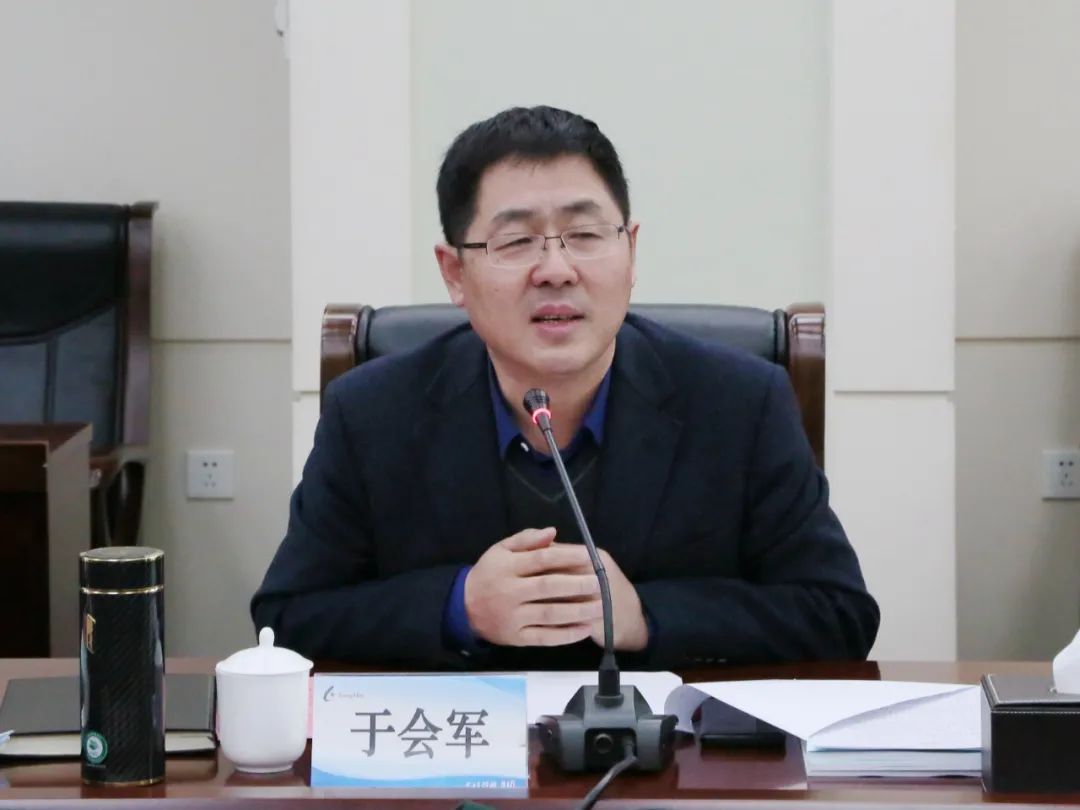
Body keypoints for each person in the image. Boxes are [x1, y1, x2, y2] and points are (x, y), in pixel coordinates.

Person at [252, 105, 879, 670]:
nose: (556, 270)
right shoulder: (372, 412)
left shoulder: (741, 402)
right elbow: (288, 617)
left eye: (585, 235)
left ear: (630, 252)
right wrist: (458, 606)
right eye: (516, 241)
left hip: (667, 756)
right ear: (455, 273)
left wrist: (647, 617)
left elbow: (838, 616)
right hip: (459, 753)